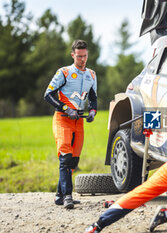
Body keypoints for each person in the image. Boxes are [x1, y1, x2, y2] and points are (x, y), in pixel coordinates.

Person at [44, 39, 97, 209]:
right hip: (63, 120)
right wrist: (66, 108)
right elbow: (48, 95)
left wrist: (93, 112)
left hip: (79, 122)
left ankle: (59, 196)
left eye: (85, 56)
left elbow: (93, 98)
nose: (82, 60)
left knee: (73, 161)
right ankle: (68, 196)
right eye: (79, 56)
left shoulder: (92, 74)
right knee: (65, 158)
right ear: (72, 55)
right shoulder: (64, 72)